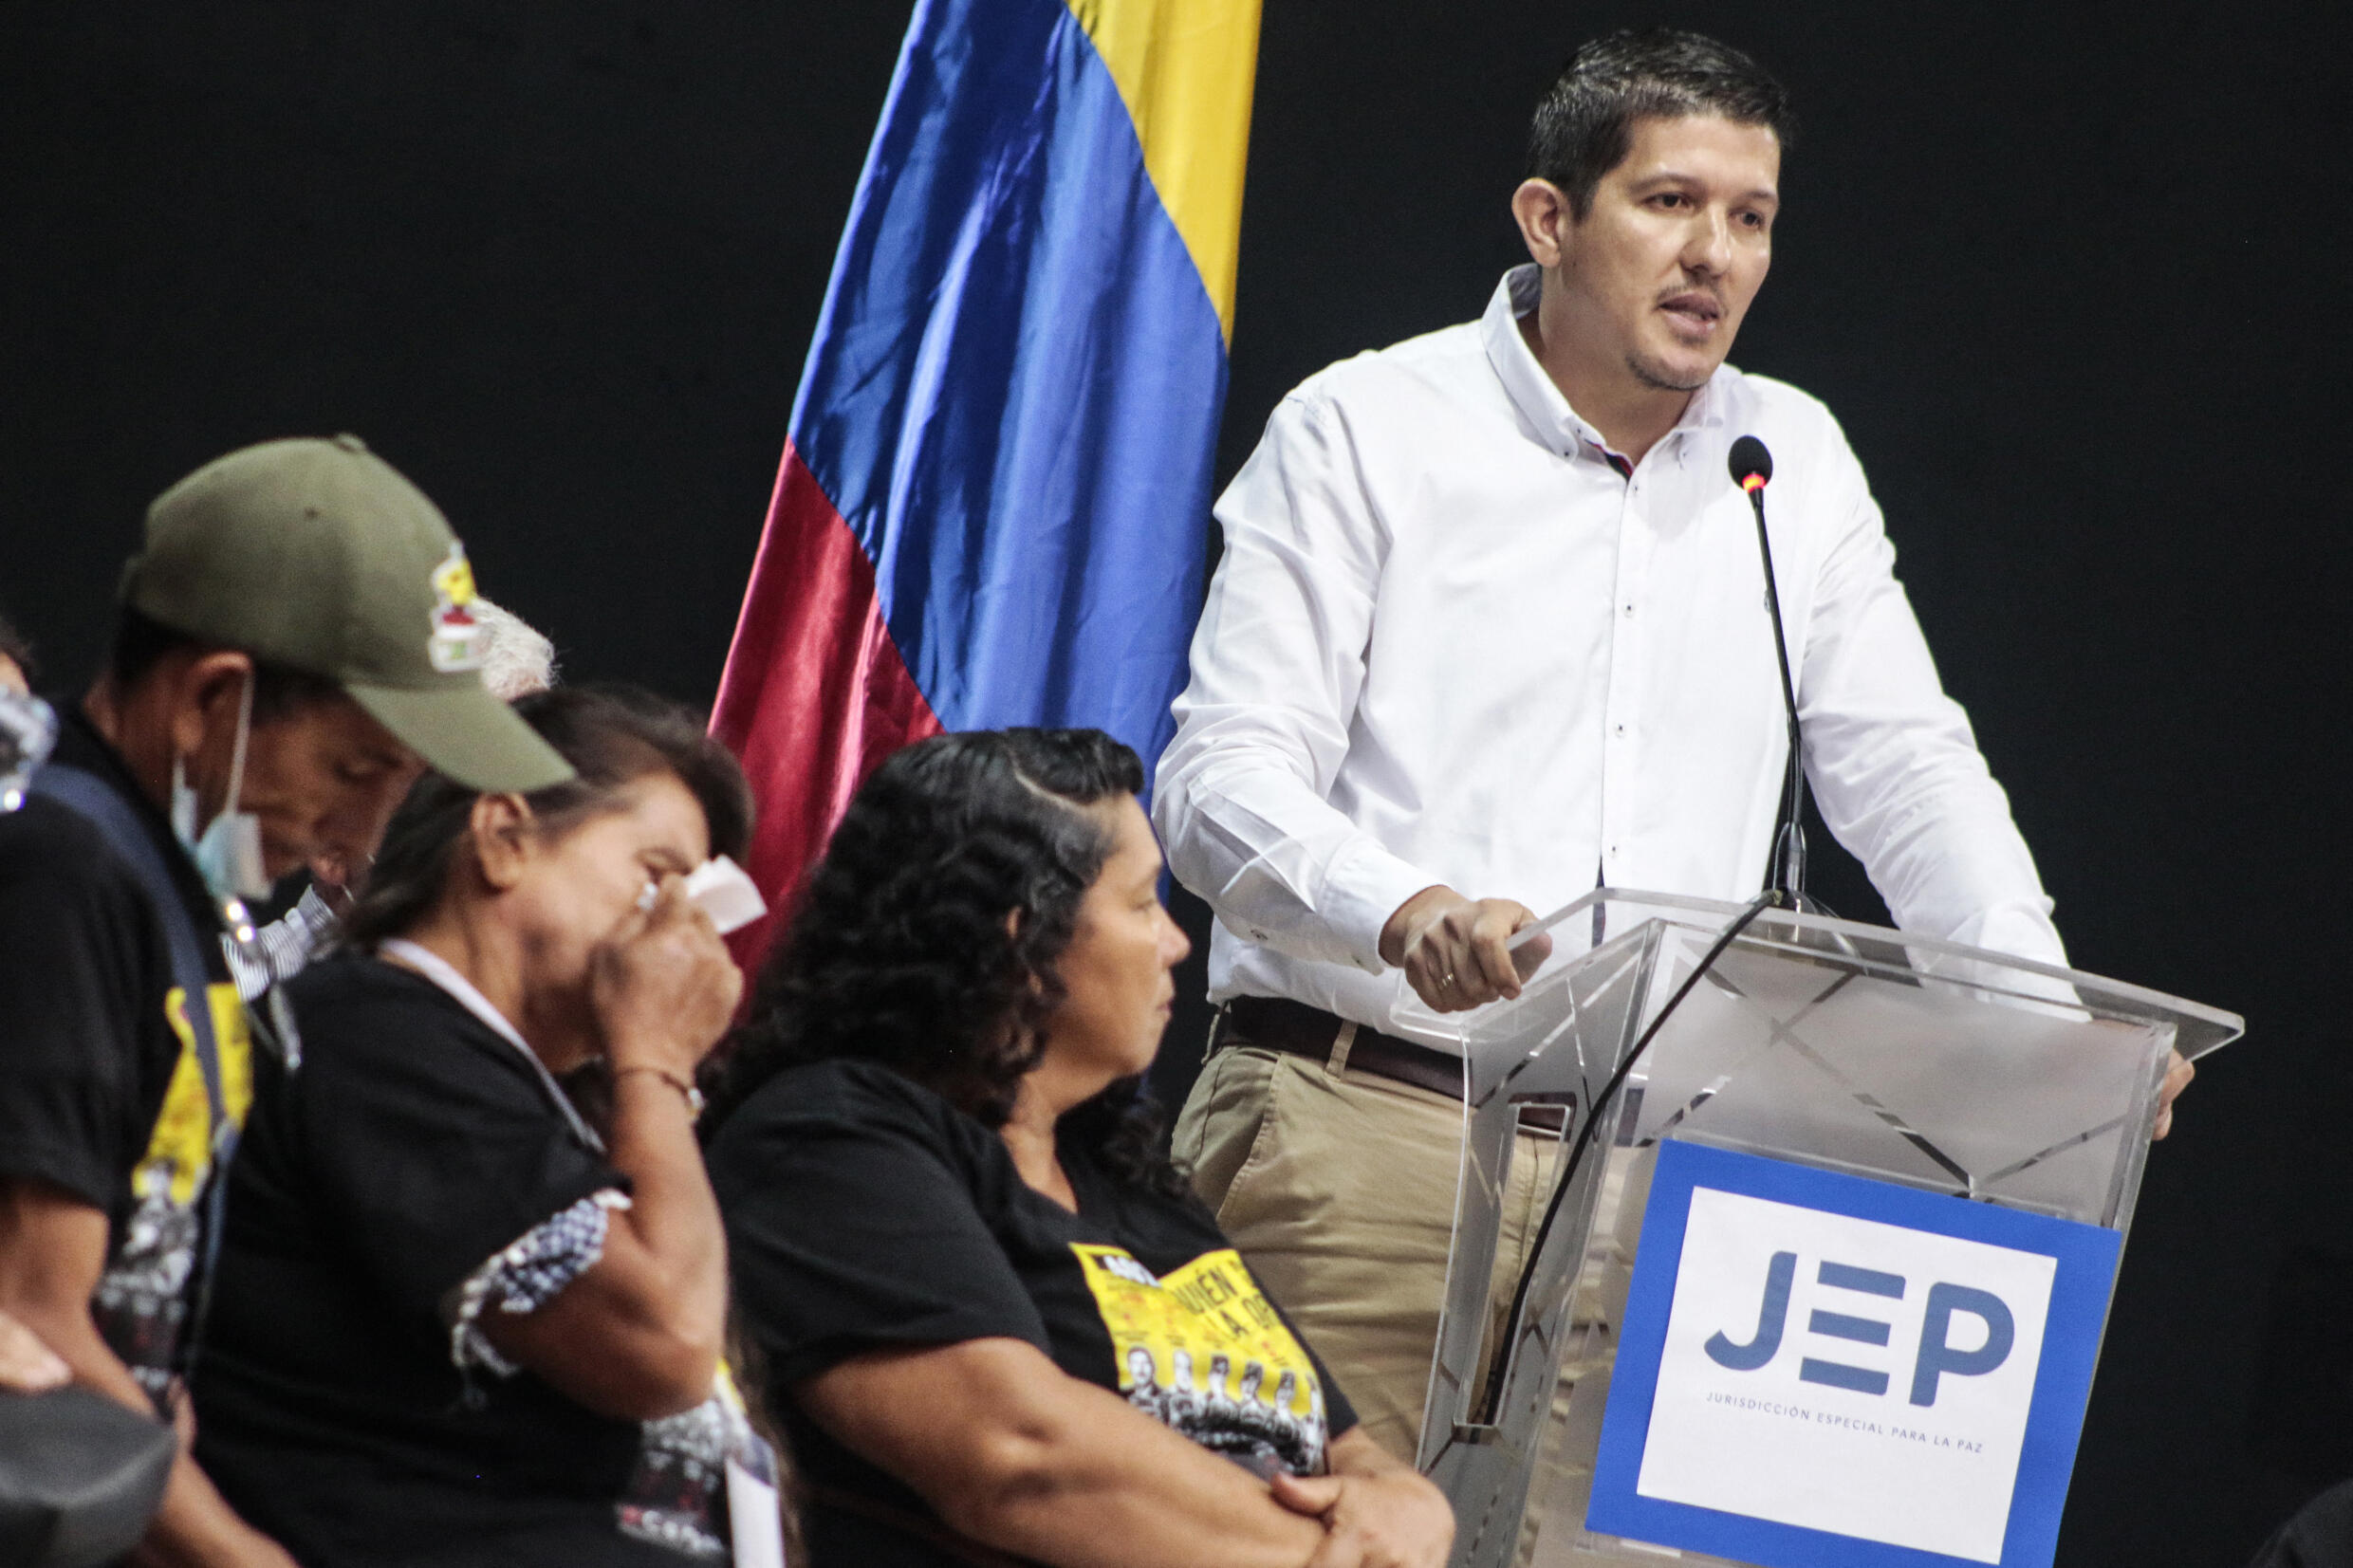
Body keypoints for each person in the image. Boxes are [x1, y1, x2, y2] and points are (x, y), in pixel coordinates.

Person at [1152, 28, 2196, 1472]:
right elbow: (1217, 778)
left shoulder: (1792, 460)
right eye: (1670, 203)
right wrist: (1400, 908)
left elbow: (1911, 773)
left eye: (1751, 218)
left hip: (1659, 1197)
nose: (1715, 254)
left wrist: (2047, 1028)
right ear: (1550, 218)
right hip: (1360, 1127)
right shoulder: (1366, 427)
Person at [0, 434, 574, 1567]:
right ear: (215, 696)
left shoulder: (174, 890)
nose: (363, 836)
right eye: (357, 771)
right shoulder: (64, 873)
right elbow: (36, 1316)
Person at [705, 729, 1453, 1568]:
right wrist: (1343, 1554)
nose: (1177, 942)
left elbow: (1349, 1450)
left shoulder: (1130, 1181)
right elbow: (1020, 1458)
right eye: (1141, 904)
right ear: (1022, 942)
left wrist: (1412, 1500)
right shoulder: (826, 1141)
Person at [190, 685, 756, 1565]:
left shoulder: (494, 1069)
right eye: (658, 876)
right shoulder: (378, 1036)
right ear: (503, 838)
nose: (686, 935)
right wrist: (656, 1062)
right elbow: (664, 1343)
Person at [224, 591, 561, 1001]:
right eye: (464, 788)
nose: (520, 826)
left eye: (539, 787)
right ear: (328, 843)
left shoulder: (580, 1027)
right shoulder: (210, 1011)